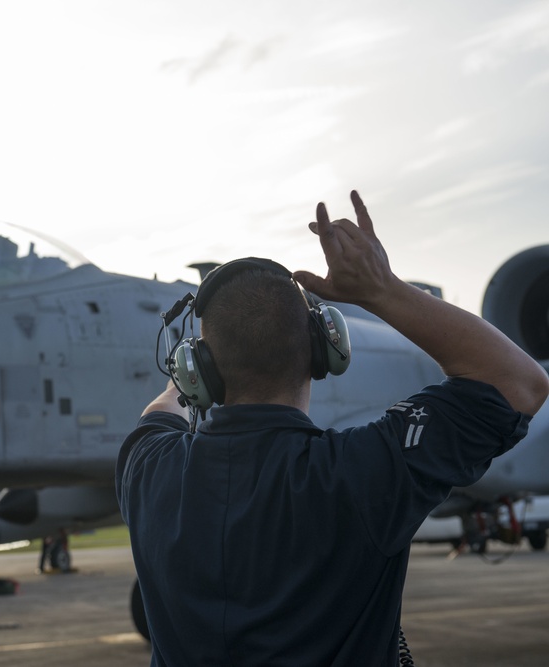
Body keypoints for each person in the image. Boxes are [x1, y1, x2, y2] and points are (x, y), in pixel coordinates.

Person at [116, 191, 549, 666]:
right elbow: (520, 381)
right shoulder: (365, 472)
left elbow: (161, 410)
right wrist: (381, 288)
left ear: (200, 369)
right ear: (327, 349)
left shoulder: (146, 468)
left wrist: (189, 376)